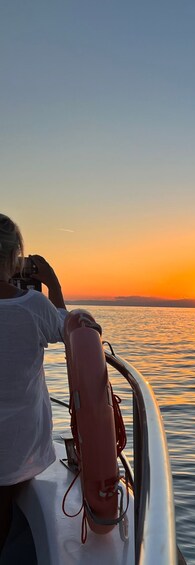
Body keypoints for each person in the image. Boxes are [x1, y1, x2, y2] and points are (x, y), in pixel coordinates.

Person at [0, 213, 68, 553]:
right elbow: (65, 329)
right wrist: (53, 284)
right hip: (18, 449)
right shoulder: (34, 306)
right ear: (15, 257)